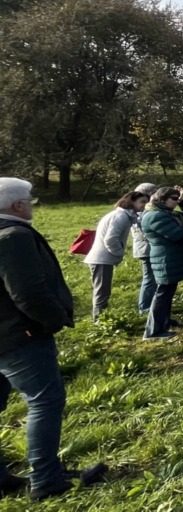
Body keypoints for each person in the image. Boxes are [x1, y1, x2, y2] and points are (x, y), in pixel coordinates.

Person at [0, 178, 108, 500]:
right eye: (30, 200)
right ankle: (46, 478)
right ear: (18, 205)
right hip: (19, 336)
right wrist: (53, 320)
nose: (32, 205)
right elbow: (28, 292)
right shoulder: (14, 236)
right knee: (44, 401)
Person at [82, 191, 148, 322]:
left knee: (103, 291)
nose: (145, 205)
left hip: (103, 258)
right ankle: (99, 322)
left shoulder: (124, 215)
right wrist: (119, 253)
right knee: (102, 292)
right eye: (142, 202)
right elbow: (110, 239)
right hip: (101, 259)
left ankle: (101, 320)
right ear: (131, 202)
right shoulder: (120, 216)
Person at [140, 187, 183, 339]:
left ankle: (165, 322)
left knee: (168, 292)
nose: (176, 202)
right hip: (164, 258)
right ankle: (153, 331)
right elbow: (177, 234)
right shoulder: (155, 216)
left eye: (178, 199)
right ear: (162, 199)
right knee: (162, 294)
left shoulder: (164, 212)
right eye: (174, 199)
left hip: (170, 257)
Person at [130, 182, 160, 314]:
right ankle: (145, 307)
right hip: (146, 249)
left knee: (152, 278)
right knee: (149, 279)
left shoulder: (142, 209)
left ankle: (150, 304)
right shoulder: (140, 210)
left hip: (146, 248)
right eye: (154, 193)